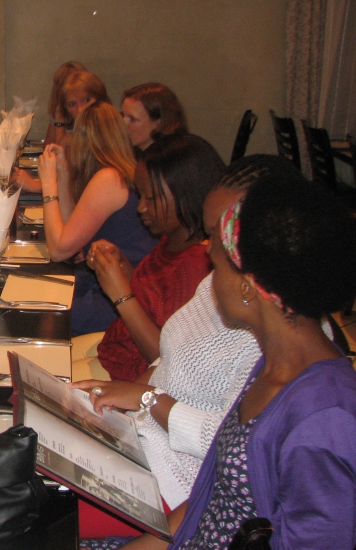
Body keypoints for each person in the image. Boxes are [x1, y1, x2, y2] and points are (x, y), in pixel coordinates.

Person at [82, 173, 356, 550]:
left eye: (217, 266)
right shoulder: (272, 368)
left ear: (247, 288)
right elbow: (208, 498)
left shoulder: (324, 421)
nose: (210, 278)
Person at [89, 134, 225, 382]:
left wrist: (120, 295)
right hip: (118, 351)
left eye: (151, 198)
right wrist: (123, 269)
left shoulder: (197, 264)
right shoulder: (173, 238)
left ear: (186, 195)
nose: (140, 207)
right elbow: (156, 297)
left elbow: (166, 361)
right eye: (139, 195)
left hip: (140, 375)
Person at [36, 102, 156, 335]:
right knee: (42, 291)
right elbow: (71, 235)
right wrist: (63, 174)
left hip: (119, 294)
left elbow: (59, 250)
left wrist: (48, 184)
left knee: (44, 317)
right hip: (107, 281)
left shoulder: (109, 178)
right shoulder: (117, 171)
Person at [14, 70, 110, 193]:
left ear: (101, 100)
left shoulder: (108, 135)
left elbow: (81, 190)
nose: (80, 109)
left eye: (86, 100)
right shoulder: (76, 137)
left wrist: (38, 186)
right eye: (72, 104)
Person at [120, 83, 187, 152]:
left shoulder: (177, 156)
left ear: (159, 124)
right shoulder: (126, 154)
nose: (123, 124)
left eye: (132, 119)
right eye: (122, 115)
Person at [43, 61, 87, 147]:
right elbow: (48, 148)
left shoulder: (92, 116)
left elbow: (65, 151)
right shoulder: (59, 111)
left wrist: (60, 124)